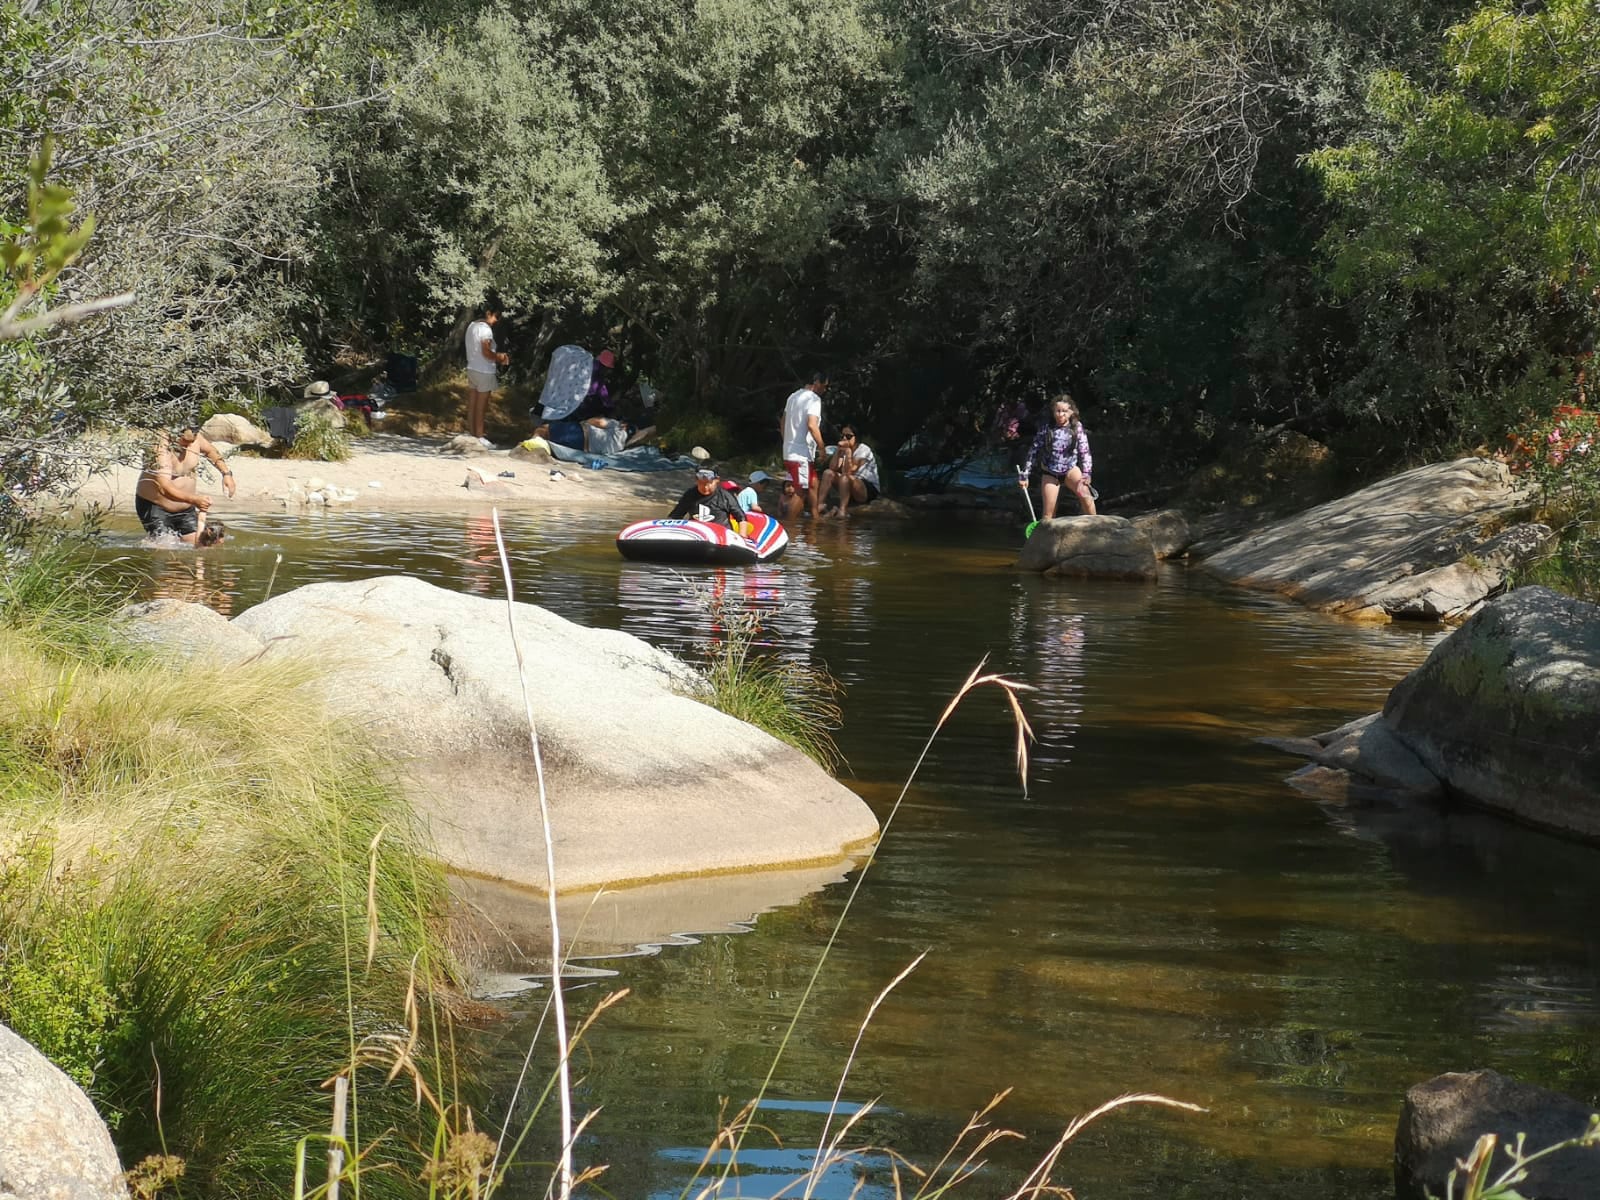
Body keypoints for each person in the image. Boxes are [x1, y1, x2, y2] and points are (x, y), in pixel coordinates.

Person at [135, 425, 237, 545]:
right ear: (174, 434)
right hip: (156, 506)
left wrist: (226, 474)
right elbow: (164, 488)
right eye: (184, 441)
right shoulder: (161, 448)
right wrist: (195, 500)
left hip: (186, 510)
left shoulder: (195, 439)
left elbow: (210, 451)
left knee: (205, 544)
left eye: (191, 442)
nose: (188, 446)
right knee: (165, 551)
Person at [1018, 393, 1096, 519]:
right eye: (1058, 411)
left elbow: (1085, 452)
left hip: (1070, 469)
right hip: (1050, 472)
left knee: (1087, 497)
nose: (1061, 414)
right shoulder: (1046, 428)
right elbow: (1033, 451)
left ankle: (1097, 526)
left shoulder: (1077, 427)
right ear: (1053, 412)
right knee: (1048, 514)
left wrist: (1087, 474)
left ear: (1071, 412)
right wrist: (1025, 475)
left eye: (1065, 411)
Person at [780, 369, 828, 520]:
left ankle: (815, 518)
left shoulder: (793, 396)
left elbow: (783, 422)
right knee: (801, 491)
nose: (825, 390)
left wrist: (787, 441)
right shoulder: (814, 399)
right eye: (825, 386)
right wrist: (822, 448)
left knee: (813, 482)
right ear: (817, 383)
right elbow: (812, 425)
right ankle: (790, 531)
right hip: (800, 454)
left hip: (789, 451)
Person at [463, 304, 509, 442]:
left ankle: (472, 433)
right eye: (496, 316)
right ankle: (480, 435)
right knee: (481, 406)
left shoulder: (472, 326)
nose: (497, 320)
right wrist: (500, 358)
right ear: (488, 313)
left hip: (472, 368)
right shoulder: (486, 330)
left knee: (472, 404)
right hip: (484, 370)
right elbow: (486, 352)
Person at [818, 426, 881, 519]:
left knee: (845, 477)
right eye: (842, 436)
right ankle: (820, 504)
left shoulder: (863, 449)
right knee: (828, 473)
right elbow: (832, 468)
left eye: (848, 436)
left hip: (865, 486)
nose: (844, 439)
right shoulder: (843, 448)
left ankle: (842, 510)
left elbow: (851, 470)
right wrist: (838, 452)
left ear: (856, 437)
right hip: (847, 484)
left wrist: (848, 454)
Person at [668, 466, 748, 528]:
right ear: (696, 480)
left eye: (709, 483)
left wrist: (743, 537)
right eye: (701, 483)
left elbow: (742, 519)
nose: (705, 487)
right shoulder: (690, 495)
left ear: (717, 480)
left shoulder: (725, 496)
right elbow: (674, 517)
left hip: (720, 538)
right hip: (697, 536)